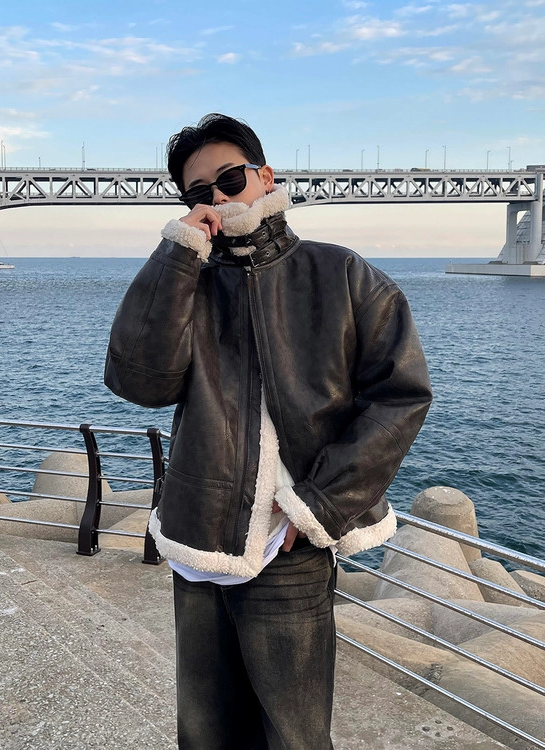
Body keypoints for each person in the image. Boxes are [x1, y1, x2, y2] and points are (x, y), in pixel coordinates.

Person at [104, 113, 432, 750]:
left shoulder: (341, 273)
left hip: (290, 543)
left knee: (294, 735)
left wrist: (317, 507)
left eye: (230, 179)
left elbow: (400, 396)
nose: (218, 198)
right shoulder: (187, 282)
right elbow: (138, 380)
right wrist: (177, 255)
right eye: (199, 192)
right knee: (204, 731)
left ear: (266, 176)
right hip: (200, 540)